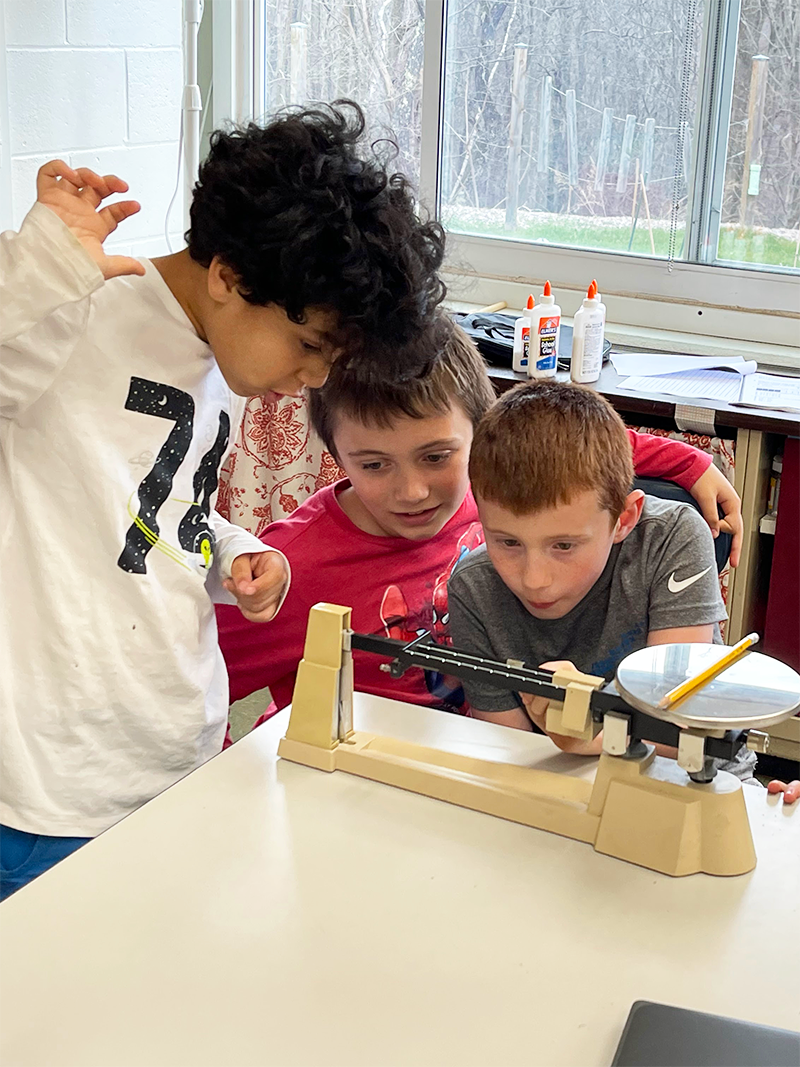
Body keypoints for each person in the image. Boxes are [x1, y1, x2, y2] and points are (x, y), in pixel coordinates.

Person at [0, 100, 446, 902]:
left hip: (177, 754)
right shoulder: (75, 310)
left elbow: (160, 512)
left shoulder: (221, 357)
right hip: (50, 793)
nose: (313, 379)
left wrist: (234, 553)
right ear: (229, 277)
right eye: (310, 347)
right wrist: (39, 270)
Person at [217, 317, 742, 729]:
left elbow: (568, 451)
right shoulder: (285, 569)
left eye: (437, 456)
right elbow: (187, 687)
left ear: (483, 436)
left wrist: (688, 464)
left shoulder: (492, 493)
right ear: (334, 453)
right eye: (374, 465)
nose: (414, 492)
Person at [447, 378, 755, 778]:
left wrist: (593, 731)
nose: (535, 579)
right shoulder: (473, 589)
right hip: (557, 785)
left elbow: (681, 721)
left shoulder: (673, 538)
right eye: (507, 542)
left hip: (697, 778)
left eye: (564, 546)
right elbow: (512, 758)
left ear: (624, 519)